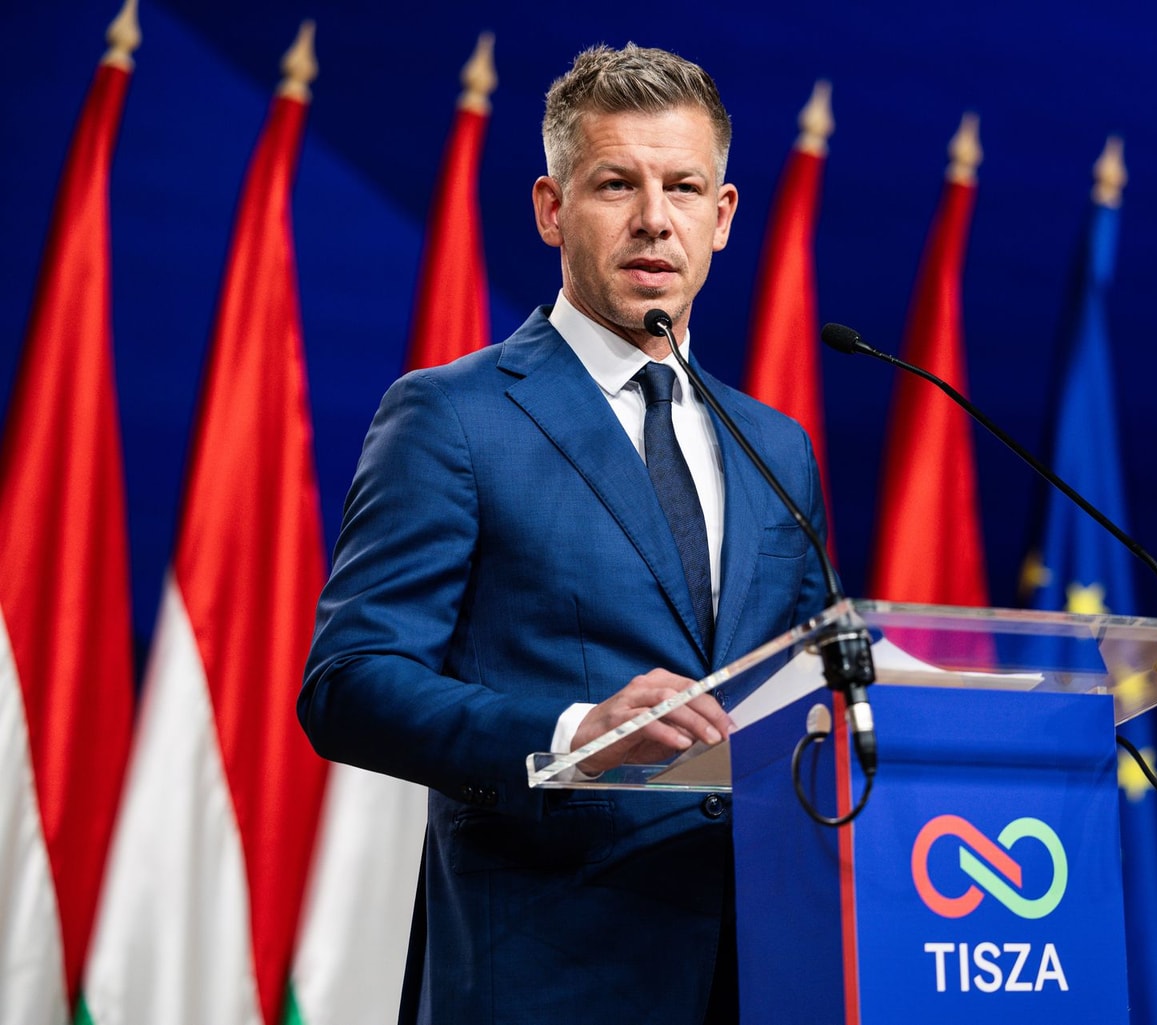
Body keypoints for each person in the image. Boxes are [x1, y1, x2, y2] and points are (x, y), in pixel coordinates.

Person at [298, 41, 832, 1025]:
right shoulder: (453, 417)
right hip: (544, 974)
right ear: (551, 208)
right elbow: (348, 685)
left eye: (683, 187)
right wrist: (569, 734)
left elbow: (803, 691)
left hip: (762, 971)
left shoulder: (775, 446)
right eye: (615, 184)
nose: (652, 219)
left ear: (723, 217)